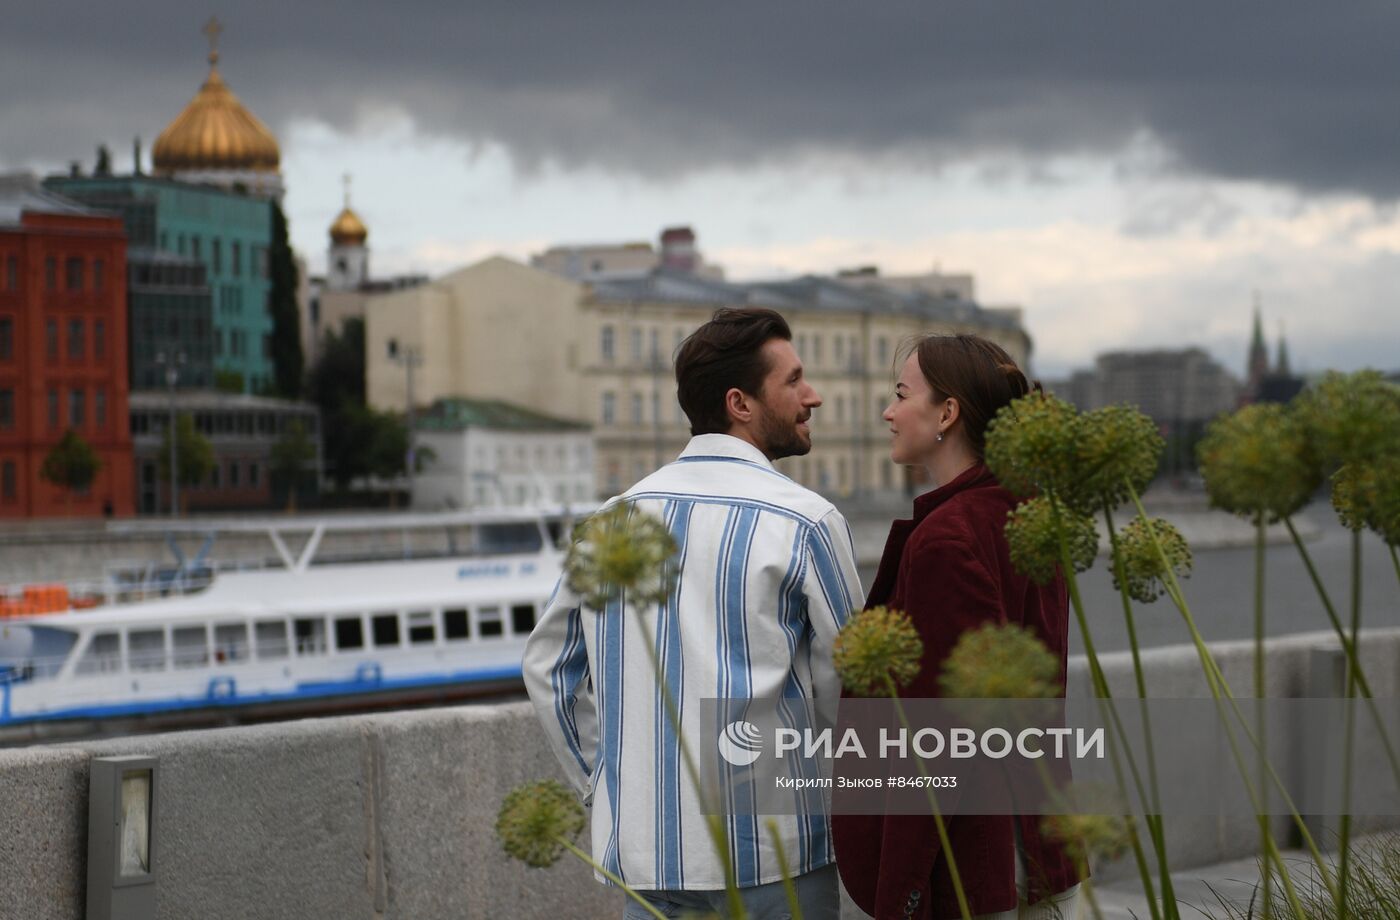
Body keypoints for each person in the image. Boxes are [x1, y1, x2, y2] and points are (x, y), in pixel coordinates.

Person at [524, 307, 862, 920]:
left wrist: (606, 784)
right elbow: (854, 691)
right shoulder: (806, 521)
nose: (812, 397)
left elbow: (549, 670)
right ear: (741, 402)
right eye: (793, 381)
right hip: (774, 860)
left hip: (648, 863)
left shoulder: (612, 520)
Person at [832, 334, 1083, 920]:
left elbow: (940, 735)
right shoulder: (1025, 512)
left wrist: (903, 885)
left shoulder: (949, 538)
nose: (888, 413)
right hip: (1040, 839)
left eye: (901, 395)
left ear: (947, 413)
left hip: (974, 866)